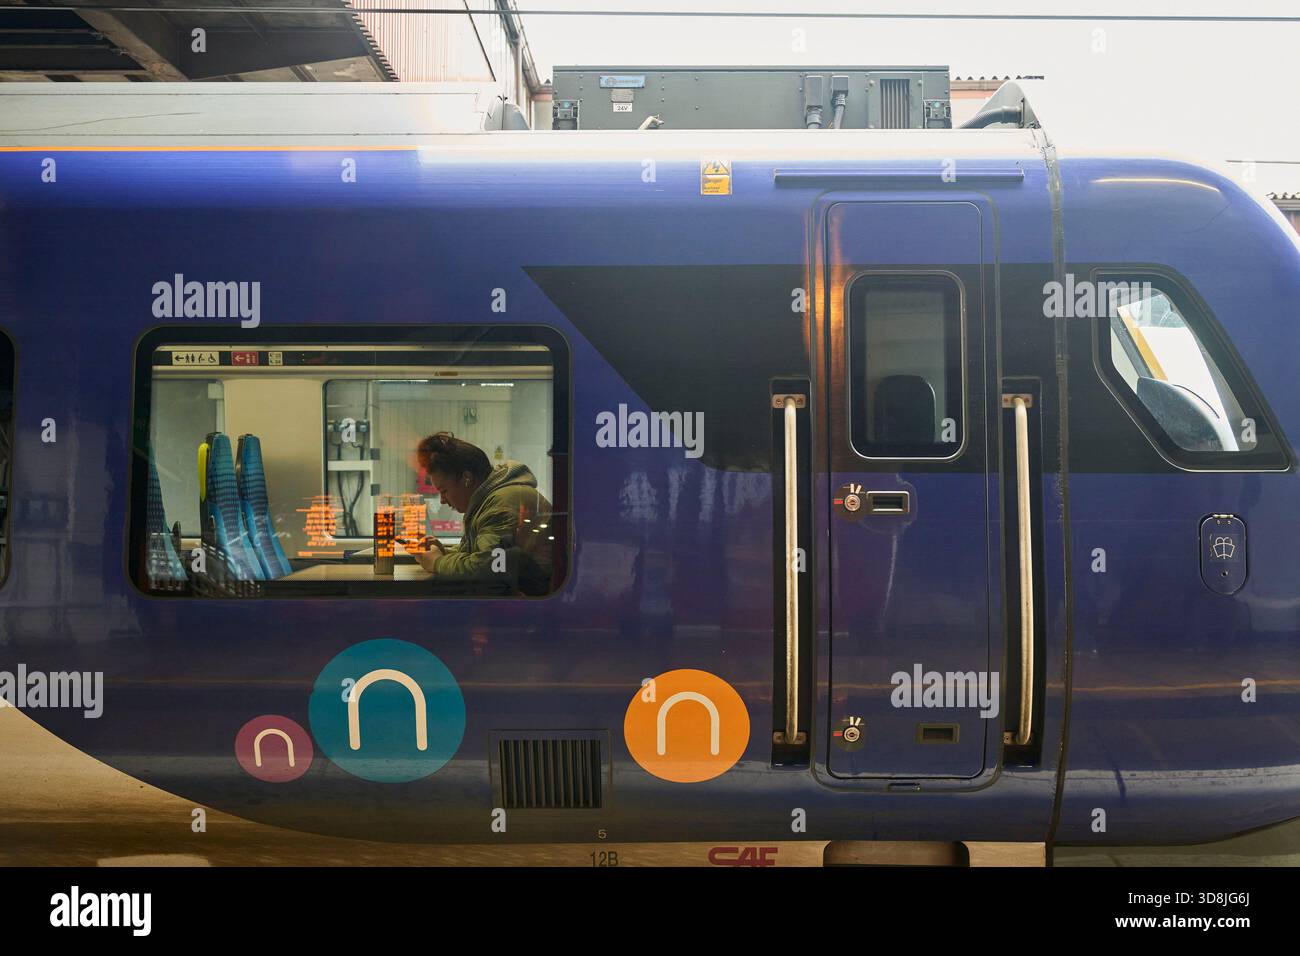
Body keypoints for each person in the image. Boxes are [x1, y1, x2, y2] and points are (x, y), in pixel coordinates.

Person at [402, 432, 554, 595]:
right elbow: (486, 555)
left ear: (467, 478)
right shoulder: (492, 499)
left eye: (444, 491)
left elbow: (490, 568)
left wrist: (437, 562)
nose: (442, 501)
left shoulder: (500, 506)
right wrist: (444, 552)